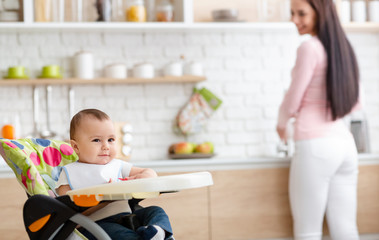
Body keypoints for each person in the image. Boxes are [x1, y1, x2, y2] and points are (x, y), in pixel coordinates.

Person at [276, 0, 361, 239]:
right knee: (346, 228)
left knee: (308, 230)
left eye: (301, 13)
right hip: (345, 145)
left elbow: (293, 99)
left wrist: (281, 125)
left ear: (320, 12)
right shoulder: (344, 47)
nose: (294, 19)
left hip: (316, 147)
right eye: (292, 13)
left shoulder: (310, 48)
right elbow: (356, 102)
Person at [56, 109, 173, 240]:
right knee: (124, 236)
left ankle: (157, 233)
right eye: (96, 140)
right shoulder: (69, 173)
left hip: (128, 215)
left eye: (111, 139)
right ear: (75, 147)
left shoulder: (117, 165)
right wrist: (105, 198)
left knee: (156, 211)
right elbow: (66, 212)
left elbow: (148, 172)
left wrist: (140, 179)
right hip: (96, 224)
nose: (106, 146)